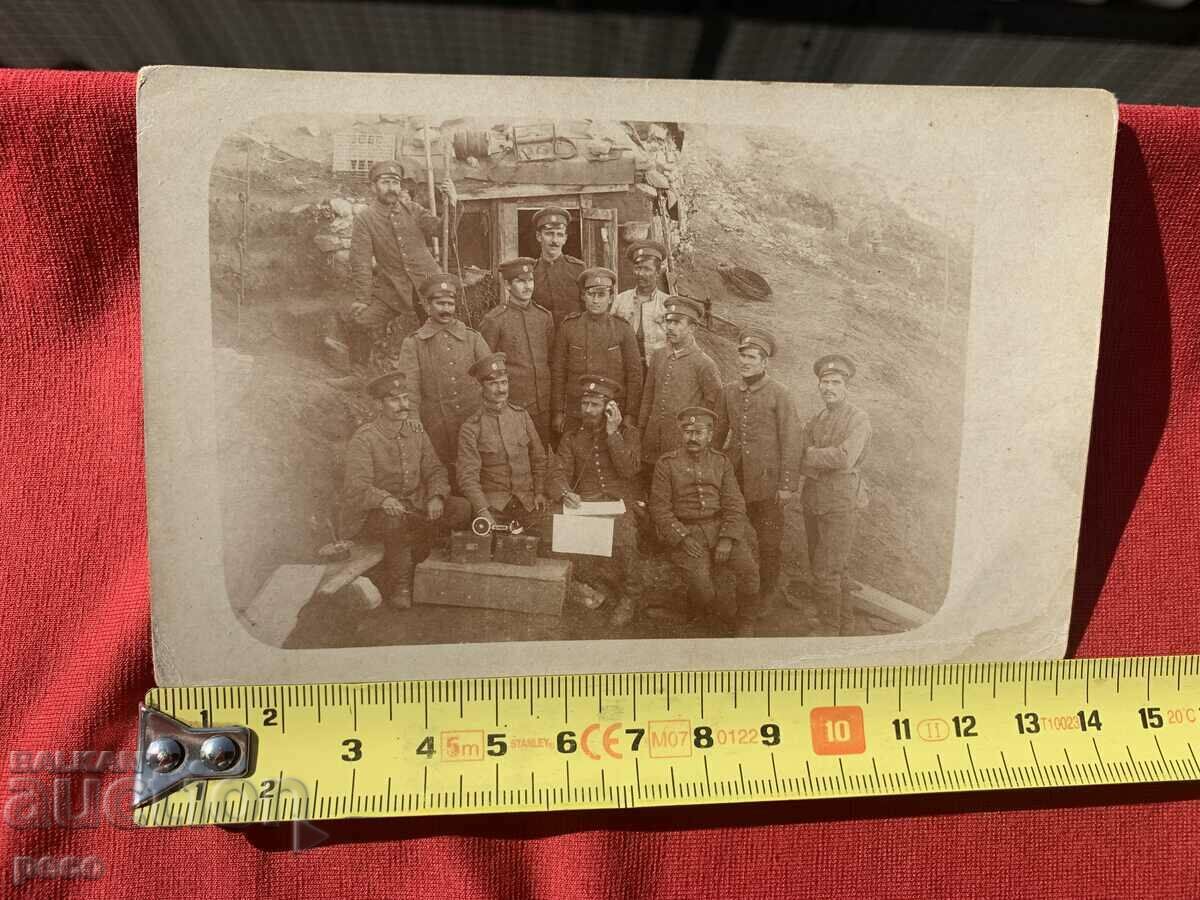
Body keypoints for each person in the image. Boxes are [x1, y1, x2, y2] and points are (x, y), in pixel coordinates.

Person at [341, 371, 472, 608]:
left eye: (405, 398)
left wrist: (436, 497)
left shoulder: (415, 431)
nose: (403, 405)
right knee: (394, 521)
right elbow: (356, 486)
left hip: (415, 503)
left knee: (461, 509)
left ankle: (424, 555)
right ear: (379, 404)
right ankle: (402, 583)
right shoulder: (365, 439)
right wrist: (383, 499)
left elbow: (435, 469)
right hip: (376, 512)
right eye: (394, 400)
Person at [649, 407, 761, 636]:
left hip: (720, 528)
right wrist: (682, 538)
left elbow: (734, 504)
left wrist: (728, 539)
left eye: (698, 432)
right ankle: (719, 621)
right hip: (687, 531)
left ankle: (746, 622)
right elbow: (659, 508)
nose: (692, 438)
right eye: (687, 432)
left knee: (749, 571)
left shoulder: (721, 462)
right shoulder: (667, 464)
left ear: (710, 435)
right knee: (702, 586)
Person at [714, 327, 802, 612]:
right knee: (728, 532)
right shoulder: (729, 391)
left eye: (752, 357)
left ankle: (767, 594)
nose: (745, 362)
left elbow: (792, 440)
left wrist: (787, 484)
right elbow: (718, 433)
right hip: (735, 479)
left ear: (765, 362)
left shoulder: (780, 394)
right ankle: (728, 588)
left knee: (768, 542)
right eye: (742, 356)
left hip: (767, 482)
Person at [551, 375, 643, 627]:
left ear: (609, 408)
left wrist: (613, 434)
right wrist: (564, 491)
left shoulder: (628, 434)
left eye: (595, 405)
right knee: (566, 539)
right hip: (587, 503)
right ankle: (593, 589)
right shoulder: (572, 437)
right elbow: (559, 471)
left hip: (619, 503)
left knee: (625, 538)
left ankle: (629, 598)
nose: (588, 411)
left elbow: (629, 470)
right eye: (585, 404)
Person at [346, 161, 458, 364]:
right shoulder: (365, 219)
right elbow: (360, 262)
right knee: (361, 322)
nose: (391, 188)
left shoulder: (412, 209)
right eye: (385, 182)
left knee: (441, 329)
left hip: (428, 285)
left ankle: (443, 370)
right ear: (373, 186)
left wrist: (452, 203)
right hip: (394, 289)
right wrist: (362, 298)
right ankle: (358, 374)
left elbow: (442, 232)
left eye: (395, 183)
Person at [799, 354, 872, 635]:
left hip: (841, 504)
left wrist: (811, 455)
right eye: (824, 382)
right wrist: (813, 457)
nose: (828, 387)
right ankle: (844, 625)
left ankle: (829, 632)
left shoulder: (858, 419)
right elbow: (799, 456)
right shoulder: (816, 419)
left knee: (827, 572)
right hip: (814, 501)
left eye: (835, 382)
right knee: (833, 570)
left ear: (846, 386)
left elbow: (844, 458)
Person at [396, 273, 491, 473]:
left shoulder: (473, 338)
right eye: (440, 304)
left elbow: (490, 377)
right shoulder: (414, 343)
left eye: (450, 304)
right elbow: (409, 385)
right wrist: (412, 416)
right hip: (436, 424)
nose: (446, 309)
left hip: (472, 418)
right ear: (428, 306)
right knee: (441, 470)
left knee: (476, 467)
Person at [456, 352, 551, 544]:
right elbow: (467, 477)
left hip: (529, 504)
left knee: (548, 547)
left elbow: (539, 459)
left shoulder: (522, 416)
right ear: (481, 387)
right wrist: (483, 511)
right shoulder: (471, 427)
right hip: (495, 509)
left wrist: (540, 492)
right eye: (493, 384)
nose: (501, 389)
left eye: (504, 382)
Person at [551, 267, 643, 439]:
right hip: (577, 410)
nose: (595, 300)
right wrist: (558, 411)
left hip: (612, 410)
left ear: (610, 298)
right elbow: (558, 373)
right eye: (591, 295)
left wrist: (630, 414)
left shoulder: (622, 329)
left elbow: (634, 374)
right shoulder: (568, 328)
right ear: (583, 296)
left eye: (601, 295)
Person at [638, 295, 722, 482]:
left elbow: (714, 407)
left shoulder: (704, 364)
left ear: (692, 328)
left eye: (677, 323)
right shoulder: (659, 356)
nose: (670, 327)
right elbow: (648, 396)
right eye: (668, 322)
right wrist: (641, 430)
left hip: (682, 444)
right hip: (652, 441)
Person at [479, 257, 555, 447]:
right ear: (507, 285)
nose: (527, 286)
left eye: (530, 280)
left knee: (543, 457)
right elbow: (485, 368)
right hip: (513, 405)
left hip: (543, 406)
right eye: (520, 281)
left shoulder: (544, 317)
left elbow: (552, 360)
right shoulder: (494, 320)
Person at [611, 239, 671, 366]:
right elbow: (610, 335)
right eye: (638, 268)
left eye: (647, 269)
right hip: (625, 366)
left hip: (657, 367)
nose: (641, 274)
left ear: (658, 272)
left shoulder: (667, 304)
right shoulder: (621, 300)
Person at [530, 206, 586, 326]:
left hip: (572, 339)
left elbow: (587, 308)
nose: (554, 240)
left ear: (565, 239)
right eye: (549, 234)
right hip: (542, 338)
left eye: (559, 235)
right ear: (539, 236)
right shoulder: (531, 272)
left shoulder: (578, 269)